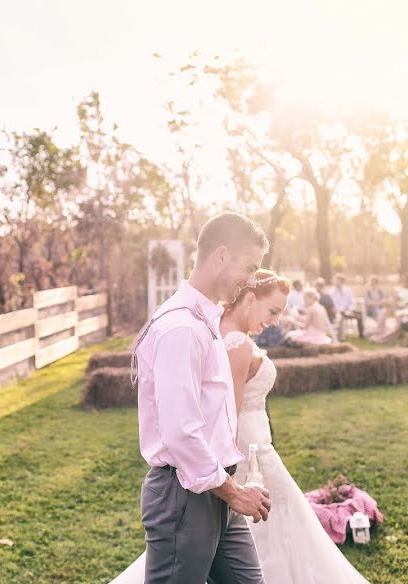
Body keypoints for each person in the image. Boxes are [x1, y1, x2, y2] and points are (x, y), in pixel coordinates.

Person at [118, 213, 271, 584]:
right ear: (220, 256)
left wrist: (229, 488)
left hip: (216, 488)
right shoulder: (182, 327)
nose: (250, 279)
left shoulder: (204, 319)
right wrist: (234, 494)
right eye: (248, 267)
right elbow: (181, 432)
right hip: (183, 497)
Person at [219, 269, 371, 583]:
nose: (275, 321)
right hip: (250, 452)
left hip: (258, 444)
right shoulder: (237, 345)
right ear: (250, 299)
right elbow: (227, 415)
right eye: (272, 311)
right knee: (280, 518)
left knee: (282, 521)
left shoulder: (234, 337)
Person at [330, 274, 364, 339]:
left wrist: (350, 309)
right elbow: (332, 304)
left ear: (342, 282)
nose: (337, 283)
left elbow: (352, 301)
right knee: (341, 317)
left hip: (348, 310)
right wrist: (341, 310)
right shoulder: (332, 291)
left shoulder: (348, 290)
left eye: (339, 281)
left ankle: (361, 335)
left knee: (359, 315)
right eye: (336, 281)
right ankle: (341, 337)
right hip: (338, 311)